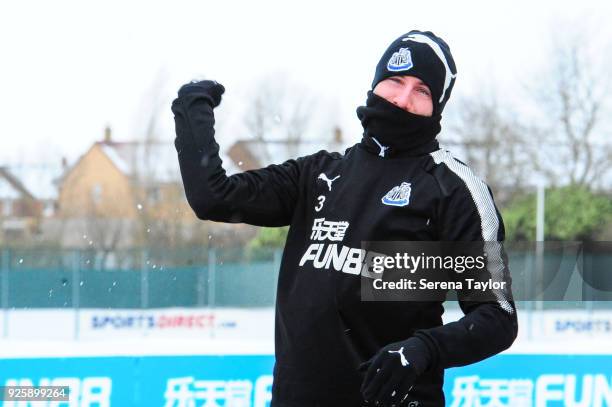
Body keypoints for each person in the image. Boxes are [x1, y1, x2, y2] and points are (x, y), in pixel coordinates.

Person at [171, 30, 518, 407]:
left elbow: (496, 317)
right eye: (395, 81)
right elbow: (213, 197)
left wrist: (425, 348)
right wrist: (193, 109)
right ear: (374, 85)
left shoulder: (452, 189)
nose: (403, 99)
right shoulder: (317, 176)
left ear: (438, 105)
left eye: (422, 91)